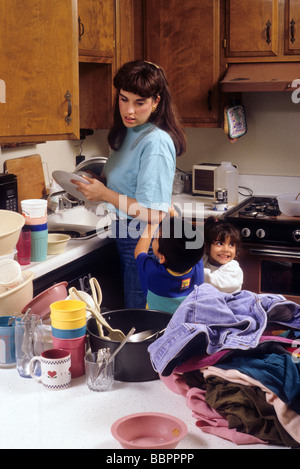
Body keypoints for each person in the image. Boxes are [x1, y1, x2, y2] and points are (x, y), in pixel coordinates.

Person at [72, 60, 186, 308]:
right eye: (124, 99)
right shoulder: (127, 133)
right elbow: (125, 183)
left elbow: (153, 213)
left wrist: (104, 193)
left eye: (140, 102)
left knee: (139, 318)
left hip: (143, 240)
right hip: (124, 233)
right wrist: (99, 182)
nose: (129, 110)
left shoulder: (155, 142)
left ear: (156, 101)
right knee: (131, 315)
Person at [134, 214, 204, 314]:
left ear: (162, 257)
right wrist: (174, 217)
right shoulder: (197, 264)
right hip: (187, 326)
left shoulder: (153, 273)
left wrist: (152, 225)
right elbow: (186, 241)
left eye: (156, 238)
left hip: (156, 326)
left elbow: (139, 252)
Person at [203, 216, 243, 293]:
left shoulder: (234, 269)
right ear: (207, 247)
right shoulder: (205, 259)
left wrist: (194, 271)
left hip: (229, 304)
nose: (226, 250)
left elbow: (213, 281)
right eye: (219, 243)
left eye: (231, 245)